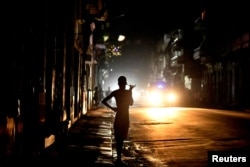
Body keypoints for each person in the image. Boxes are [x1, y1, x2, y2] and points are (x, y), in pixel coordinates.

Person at [102, 76, 135, 165]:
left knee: (118, 138)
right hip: (125, 117)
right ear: (125, 84)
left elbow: (104, 101)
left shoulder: (116, 92)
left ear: (118, 84)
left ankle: (119, 159)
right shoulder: (127, 93)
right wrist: (130, 91)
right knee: (121, 138)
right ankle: (119, 159)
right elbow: (131, 103)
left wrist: (113, 108)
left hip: (119, 115)